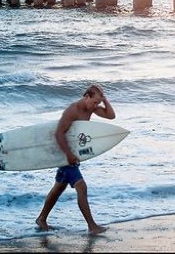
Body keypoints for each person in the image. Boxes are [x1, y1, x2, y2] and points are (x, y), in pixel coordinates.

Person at [35, 84, 116, 235]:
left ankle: (41, 219)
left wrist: (104, 100)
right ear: (86, 97)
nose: (95, 106)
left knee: (59, 187)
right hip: (65, 153)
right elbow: (59, 134)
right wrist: (68, 155)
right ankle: (92, 226)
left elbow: (111, 116)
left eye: (97, 103)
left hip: (71, 154)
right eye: (94, 102)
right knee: (81, 187)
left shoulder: (90, 108)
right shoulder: (72, 111)